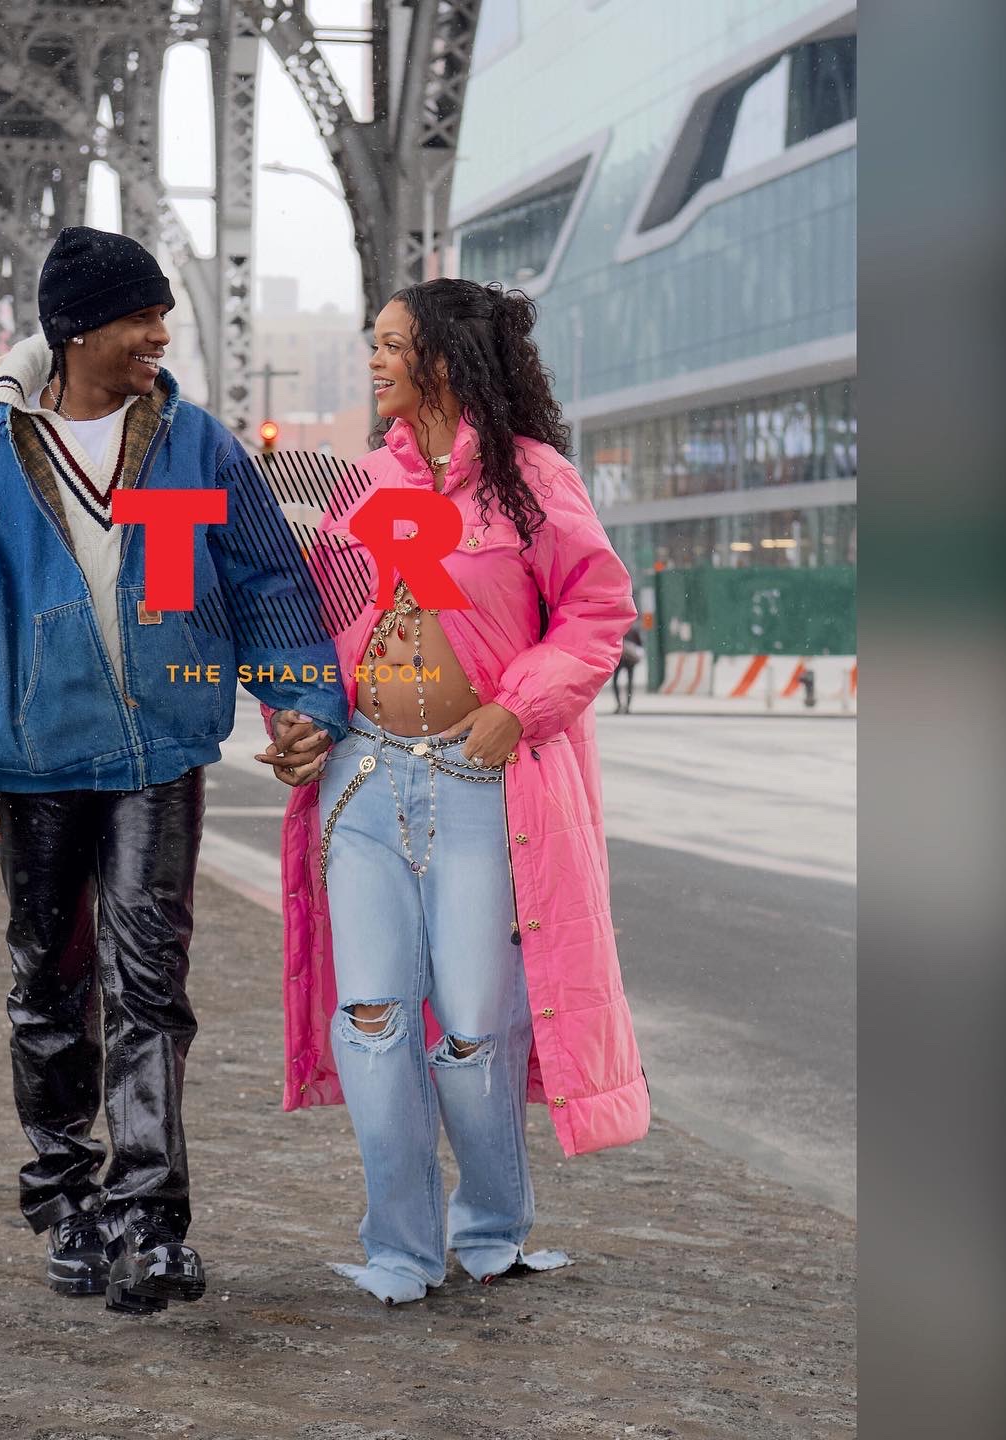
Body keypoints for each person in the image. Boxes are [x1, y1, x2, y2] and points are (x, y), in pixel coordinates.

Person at [0, 226, 344, 1314]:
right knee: (50, 989)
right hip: (34, 759)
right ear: (79, 329)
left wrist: (300, 698)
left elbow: (265, 585)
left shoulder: (191, 444)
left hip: (159, 755)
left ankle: (150, 1219)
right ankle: (65, 1201)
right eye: (142, 318)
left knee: (150, 985)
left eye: (163, 318)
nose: (160, 336)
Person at [259, 278, 648, 1306]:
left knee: (474, 1026)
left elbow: (597, 612)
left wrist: (518, 708)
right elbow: (311, 625)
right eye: (373, 343)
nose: (374, 359)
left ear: (444, 356)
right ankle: (399, 1245)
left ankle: (492, 1225)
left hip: (484, 785)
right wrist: (295, 722)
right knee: (374, 1015)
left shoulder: (532, 480)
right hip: (363, 782)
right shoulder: (354, 493)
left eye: (392, 344)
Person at [613, 620, 643, 713]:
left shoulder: (618, 628)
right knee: (629, 682)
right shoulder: (633, 629)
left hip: (620, 659)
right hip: (630, 659)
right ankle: (627, 706)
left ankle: (619, 705)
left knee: (616, 682)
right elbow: (640, 644)